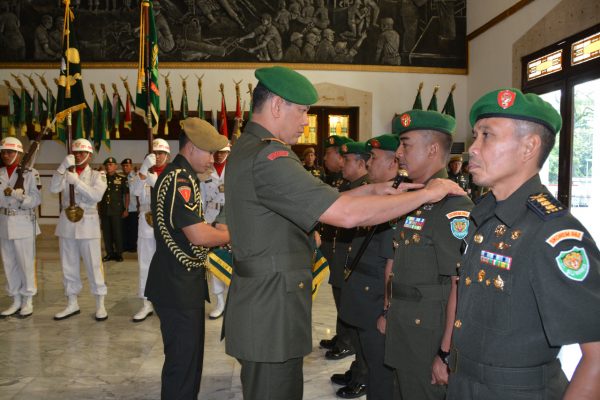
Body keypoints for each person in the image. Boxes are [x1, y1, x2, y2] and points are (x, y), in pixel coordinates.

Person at [223, 65, 464, 400]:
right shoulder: (270, 155)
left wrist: (375, 191)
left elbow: (324, 200)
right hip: (270, 311)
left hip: (266, 304)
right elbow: (344, 215)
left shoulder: (251, 149)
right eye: (303, 111)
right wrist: (426, 193)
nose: (306, 121)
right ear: (277, 106)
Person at [447, 88, 600, 399]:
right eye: (475, 135)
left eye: (486, 135)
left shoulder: (554, 234)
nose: (473, 149)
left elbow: (597, 354)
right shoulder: (486, 218)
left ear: (529, 146)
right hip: (466, 384)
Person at [383, 109, 473, 400]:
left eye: (406, 144)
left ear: (433, 148)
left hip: (427, 340)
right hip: (405, 330)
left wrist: (445, 353)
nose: (398, 153)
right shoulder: (414, 196)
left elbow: (459, 285)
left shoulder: (452, 207)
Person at [144, 117, 230, 400]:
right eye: (209, 152)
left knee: (189, 359)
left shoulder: (183, 175)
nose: (212, 159)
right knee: (183, 363)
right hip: (176, 284)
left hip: (181, 280)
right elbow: (198, 236)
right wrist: (231, 235)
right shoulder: (180, 178)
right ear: (191, 147)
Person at [336, 134, 401, 400]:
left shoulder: (400, 199)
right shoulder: (377, 195)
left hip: (376, 297)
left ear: (393, 162)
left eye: (373, 158)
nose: (368, 163)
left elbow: (392, 261)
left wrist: (387, 307)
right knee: (369, 360)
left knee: (381, 372)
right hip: (362, 295)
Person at [328, 140, 370, 397]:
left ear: (361, 163)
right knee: (351, 318)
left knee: (359, 326)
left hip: (359, 268)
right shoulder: (349, 186)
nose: (342, 164)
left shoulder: (367, 189)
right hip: (346, 260)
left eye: (348, 160)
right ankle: (358, 369)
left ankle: (363, 376)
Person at [51, 138, 108, 321]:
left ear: (90, 156)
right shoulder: (66, 172)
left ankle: (100, 304)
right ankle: (72, 303)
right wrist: (62, 168)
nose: (78, 156)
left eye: (82, 153)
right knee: (68, 265)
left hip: (88, 224)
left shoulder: (97, 175)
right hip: (67, 224)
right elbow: (53, 188)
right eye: (75, 153)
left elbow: (96, 195)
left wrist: (77, 183)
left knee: (94, 265)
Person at [0, 137, 41, 318]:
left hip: (23, 222)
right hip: (4, 222)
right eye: (3, 152)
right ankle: (15, 298)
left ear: (18, 153)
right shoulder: (0, 173)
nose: (6, 155)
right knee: (9, 264)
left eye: (9, 152)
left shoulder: (31, 173)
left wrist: (22, 198)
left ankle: (28, 299)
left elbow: (36, 200)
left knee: (25, 264)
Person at [319, 134, 353, 351]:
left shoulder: (354, 182)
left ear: (342, 157)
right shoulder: (334, 179)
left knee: (345, 296)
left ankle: (347, 341)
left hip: (344, 246)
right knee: (338, 291)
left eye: (329, 153)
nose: (324, 158)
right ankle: (342, 336)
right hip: (332, 244)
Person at [130, 138, 170, 322]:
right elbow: (136, 192)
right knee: (145, 263)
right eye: (155, 153)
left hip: (167, 221)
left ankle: (166, 301)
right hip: (146, 221)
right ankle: (146, 303)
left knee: (167, 263)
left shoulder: (173, 173)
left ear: (167, 155)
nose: (158, 156)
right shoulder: (141, 173)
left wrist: (157, 181)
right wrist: (144, 170)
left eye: (161, 153)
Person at [199, 143, 230, 320]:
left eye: (223, 152)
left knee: (232, 260)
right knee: (214, 261)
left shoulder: (234, 169)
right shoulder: (206, 170)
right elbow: (202, 197)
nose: (219, 155)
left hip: (230, 219)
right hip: (211, 217)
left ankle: (233, 300)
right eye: (217, 152)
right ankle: (220, 302)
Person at [99, 157, 128, 263]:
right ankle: (109, 253)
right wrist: (99, 210)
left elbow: (126, 195)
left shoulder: (121, 179)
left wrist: (126, 208)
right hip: (105, 210)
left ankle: (119, 254)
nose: (108, 167)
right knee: (106, 233)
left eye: (111, 165)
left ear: (116, 166)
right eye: (107, 165)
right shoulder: (101, 179)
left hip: (117, 210)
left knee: (117, 233)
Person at [121, 158, 138, 252]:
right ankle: (126, 246)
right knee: (125, 228)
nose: (125, 168)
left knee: (133, 228)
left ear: (131, 166)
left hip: (134, 207)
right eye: (123, 166)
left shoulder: (135, 177)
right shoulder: (121, 178)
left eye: (127, 166)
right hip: (124, 207)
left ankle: (133, 246)